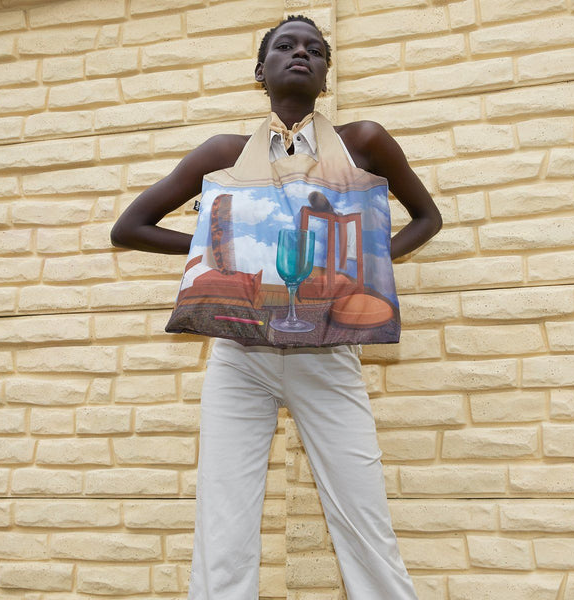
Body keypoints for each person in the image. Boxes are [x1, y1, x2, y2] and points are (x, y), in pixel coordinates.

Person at [111, 15, 442, 600]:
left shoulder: (363, 143)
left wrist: (370, 264)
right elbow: (129, 228)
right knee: (224, 522)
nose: (300, 53)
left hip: (328, 353)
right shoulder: (224, 154)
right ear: (260, 71)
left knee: (363, 517)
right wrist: (216, 248)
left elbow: (427, 218)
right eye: (285, 46)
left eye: (314, 49)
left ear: (326, 73)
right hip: (240, 356)